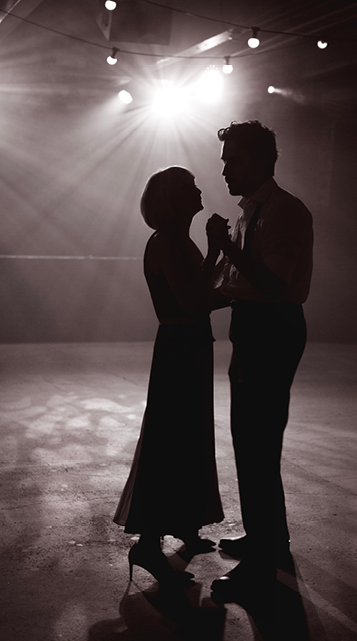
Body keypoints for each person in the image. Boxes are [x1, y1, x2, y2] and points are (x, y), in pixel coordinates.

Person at [205, 120, 313, 594]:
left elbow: (272, 284)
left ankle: (260, 568)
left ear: (262, 162)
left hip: (271, 329)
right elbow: (233, 283)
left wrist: (226, 247)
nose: (225, 170)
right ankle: (270, 540)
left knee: (256, 444)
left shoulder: (284, 212)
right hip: (254, 327)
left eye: (234, 160)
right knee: (253, 443)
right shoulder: (252, 211)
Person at [114, 166, 224, 586]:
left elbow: (203, 293)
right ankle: (147, 542)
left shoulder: (181, 241)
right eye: (189, 187)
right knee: (170, 437)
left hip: (191, 344)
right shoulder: (164, 243)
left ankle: (184, 524)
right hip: (179, 347)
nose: (198, 190)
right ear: (172, 199)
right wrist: (217, 253)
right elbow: (192, 298)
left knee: (190, 434)